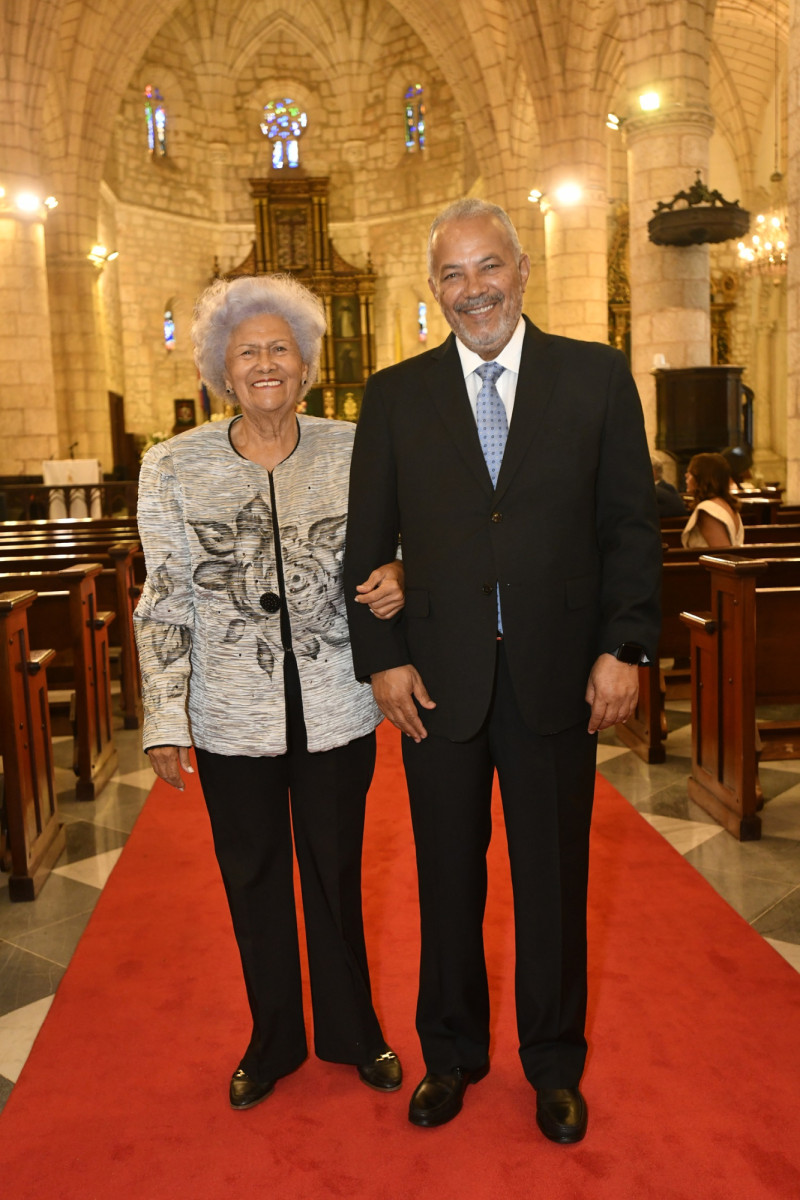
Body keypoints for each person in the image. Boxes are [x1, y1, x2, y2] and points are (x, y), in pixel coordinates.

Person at [344, 198, 661, 1144]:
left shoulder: (596, 379)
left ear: (522, 272)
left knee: (554, 880)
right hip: (438, 684)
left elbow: (629, 528)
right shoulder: (395, 396)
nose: (473, 289)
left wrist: (625, 645)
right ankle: (450, 1055)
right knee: (446, 879)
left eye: (488, 268)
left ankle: (555, 1065)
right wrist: (382, 663)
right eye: (453, 274)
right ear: (433, 290)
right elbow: (367, 546)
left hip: (559, 675)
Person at [134, 272, 405, 1112]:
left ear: (306, 363)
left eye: (278, 349)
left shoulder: (356, 447)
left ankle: (354, 1031)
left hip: (336, 704)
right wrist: (163, 715)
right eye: (245, 351)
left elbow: (406, 543)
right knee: (252, 876)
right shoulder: (170, 464)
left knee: (334, 870)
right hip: (228, 714)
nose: (263, 364)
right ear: (219, 367)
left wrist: (404, 574)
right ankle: (274, 1037)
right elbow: (166, 595)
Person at [681, 452, 744, 548]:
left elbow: (721, 555)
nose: (686, 475)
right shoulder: (726, 504)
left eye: (691, 472)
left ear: (702, 478)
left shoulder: (708, 510)